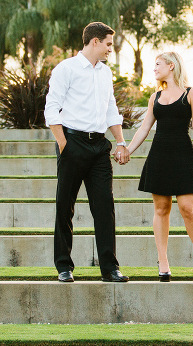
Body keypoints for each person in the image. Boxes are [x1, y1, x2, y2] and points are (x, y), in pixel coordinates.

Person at [44, 22, 130, 283]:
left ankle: (110, 268)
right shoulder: (66, 69)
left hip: (99, 148)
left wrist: (121, 141)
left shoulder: (105, 73)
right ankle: (64, 267)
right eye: (107, 44)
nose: (109, 50)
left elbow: (110, 110)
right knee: (65, 207)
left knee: (105, 207)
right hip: (73, 144)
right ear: (94, 41)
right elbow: (52, 108)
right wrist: (64, 145)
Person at [123, 51, 193, 282]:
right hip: (159, 154)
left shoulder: (192, 94)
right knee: (161, 209)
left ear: (171, 66)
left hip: (182, 154)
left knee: (187, 209)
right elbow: (144, 128)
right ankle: (163, 261)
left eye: (158, 64)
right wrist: (127, 150)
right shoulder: (155, 97)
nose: (154, 69)